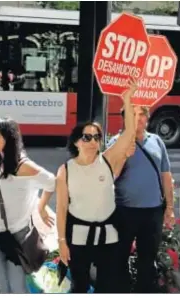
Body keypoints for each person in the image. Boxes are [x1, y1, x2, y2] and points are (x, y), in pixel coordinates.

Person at [56, 78, 137, 293]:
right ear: (76, 141)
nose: (93, 141)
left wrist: (127, 100)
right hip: (78, 236)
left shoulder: (108, 160)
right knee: (80, 286)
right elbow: (61, 208)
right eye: (87, 137)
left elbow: (129, 133)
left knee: (107, 286)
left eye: (96, 137)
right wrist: (62, 241)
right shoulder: (65, 170)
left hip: (109, 235)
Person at [0, 117, 56, 293]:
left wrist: (41, 207)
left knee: (17, 286)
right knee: (3, 285)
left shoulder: (23, 166)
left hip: (18, 233)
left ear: (9, 138)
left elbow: (51, 182)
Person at [107, 103, 175, 292]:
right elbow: (109, 175)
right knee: (119, 257)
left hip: (152, 211)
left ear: (147, 118)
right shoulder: (116, 142)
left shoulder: (157, 141)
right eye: (132, 115)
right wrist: (123, 154)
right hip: (124, 211)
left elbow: (166, 176)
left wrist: (169, 208)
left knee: (148, 259)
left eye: (141, 114)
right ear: (125, 119)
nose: (137, 119)